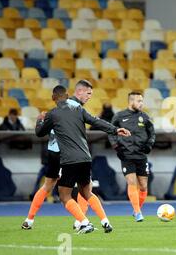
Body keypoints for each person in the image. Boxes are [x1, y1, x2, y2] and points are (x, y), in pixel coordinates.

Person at [35, 85, 131, 234]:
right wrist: (115, 129)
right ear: (67, 96)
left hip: (69, 160)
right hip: (86, 158)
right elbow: (96, 121)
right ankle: (106, 222)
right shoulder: (78, 109)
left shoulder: (52, 114)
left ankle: (84, 223)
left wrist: (40, 120)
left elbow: (40, 133)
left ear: (53, 98)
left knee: (64, 195)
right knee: (87, 192)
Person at [22, 80, 94, 230]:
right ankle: (82, 220)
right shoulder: (75, 107)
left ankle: (29, 220)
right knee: (85, 186)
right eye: (88, 94)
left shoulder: (55, 110)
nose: (89, 97)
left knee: (47, 186)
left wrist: (40, 121)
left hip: (53, 151)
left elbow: (44, 130)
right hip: (66, 153)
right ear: (77, 92)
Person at [108, 91, 156, 222]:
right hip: (126, 154)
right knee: (132, 182)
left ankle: (137, 210)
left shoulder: (145, 117)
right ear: (131, 101)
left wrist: (149, 145)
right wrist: (116, 147)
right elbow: (111, 132)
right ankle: (138, 212)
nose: (141, 104)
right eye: (139, 101)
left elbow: (152, 133)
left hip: (141, 155)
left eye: (142, 101)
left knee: (144, 186)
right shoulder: (119, 116)